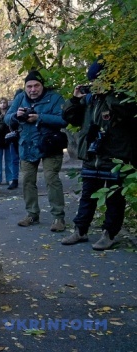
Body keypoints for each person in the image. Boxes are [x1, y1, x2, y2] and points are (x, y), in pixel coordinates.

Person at [60, 59, 137, 250]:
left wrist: (109, 94)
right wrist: (75, 99)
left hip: (115, 155)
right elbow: (71, 118)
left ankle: (109, 234)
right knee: (88, 195)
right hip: (92, 156)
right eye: (92, 81)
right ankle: (80, 230)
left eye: (97, 80)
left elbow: (127, 113)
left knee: (114, 198)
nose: (94, 85)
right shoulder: (90, 99)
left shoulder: (122, 96)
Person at [5, 70, 67, 231]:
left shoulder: (55, 98)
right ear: (25, 87)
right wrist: (15, 116)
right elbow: (6, 116)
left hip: (49, 144)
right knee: (27, 180)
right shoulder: (20, 98)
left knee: (51, 179)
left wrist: (40, 117)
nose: (33, 89)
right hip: (27, 144)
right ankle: (32, 214)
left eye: (36, 85)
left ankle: (58, 218)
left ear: (42, 85)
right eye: (29, 86)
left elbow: (64, 120)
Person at [0, 97, 14, 187]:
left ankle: (9, 178)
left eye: (4, 103)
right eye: (1, 103)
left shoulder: (10, 113)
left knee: (9, 160)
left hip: (8, 139)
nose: (3, 104)